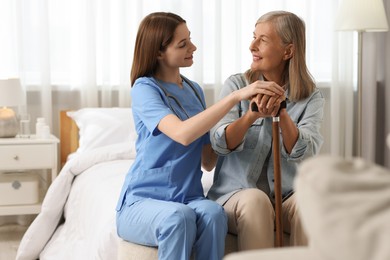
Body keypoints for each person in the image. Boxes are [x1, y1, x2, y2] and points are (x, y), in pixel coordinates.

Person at [115, 12, 273, 260]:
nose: (193, 47)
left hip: (189, 197)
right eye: (183, 44)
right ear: (158, 52)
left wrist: (249, 118)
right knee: (178, 217)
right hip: (143, 201)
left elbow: (207, 160)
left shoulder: (193, 90)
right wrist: (234, 96)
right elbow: (182, 134)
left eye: (190, 39)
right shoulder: (145, 88)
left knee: (213, 214)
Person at [207, 10, 325, 251]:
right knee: (257, 200)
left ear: (288, 51)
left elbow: (306, 151)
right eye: (254, 37)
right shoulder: (237, 86)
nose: (252, 45)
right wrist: (252, 115)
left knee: (312, 202)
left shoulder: (311, 97)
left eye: (263, 39)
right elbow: (219, 143)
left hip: (286, 196)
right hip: (236, 195)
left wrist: (281, 112)